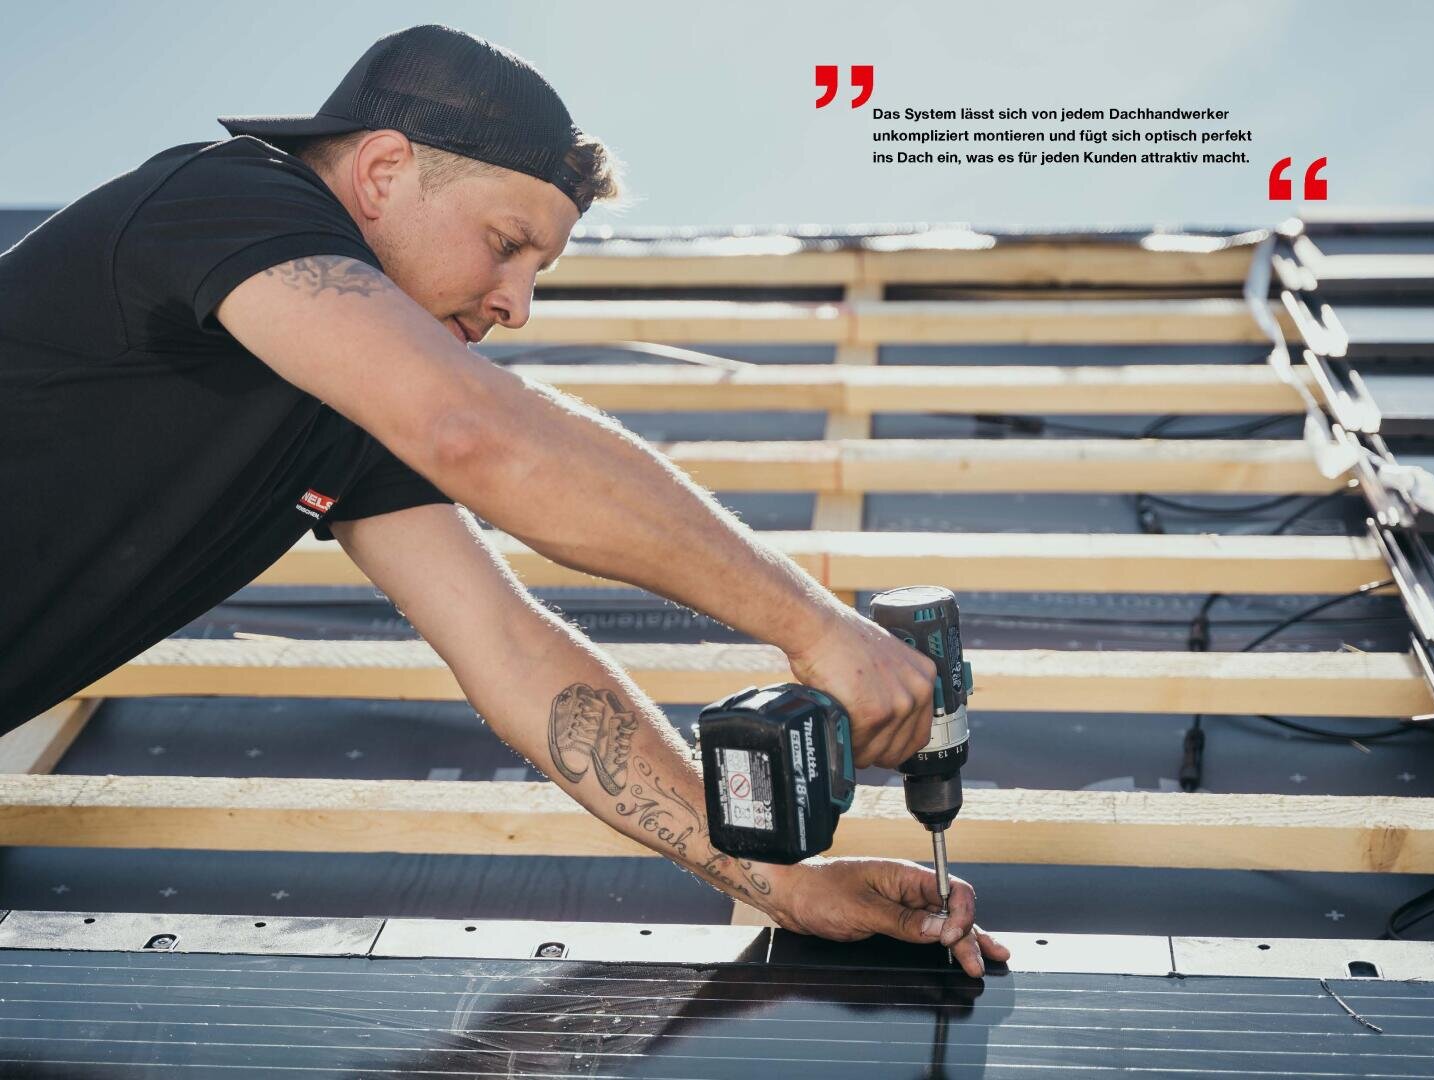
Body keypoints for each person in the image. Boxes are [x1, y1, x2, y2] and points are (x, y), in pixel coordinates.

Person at [0, 24, 1008, 976]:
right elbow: (476, 433)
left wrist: (777, 883)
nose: (517, 304)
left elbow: (513, 653)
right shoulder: (225, 195)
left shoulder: (346, 419)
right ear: (382, 172)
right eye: (505, 242)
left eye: (537, 271)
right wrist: (816, 628)